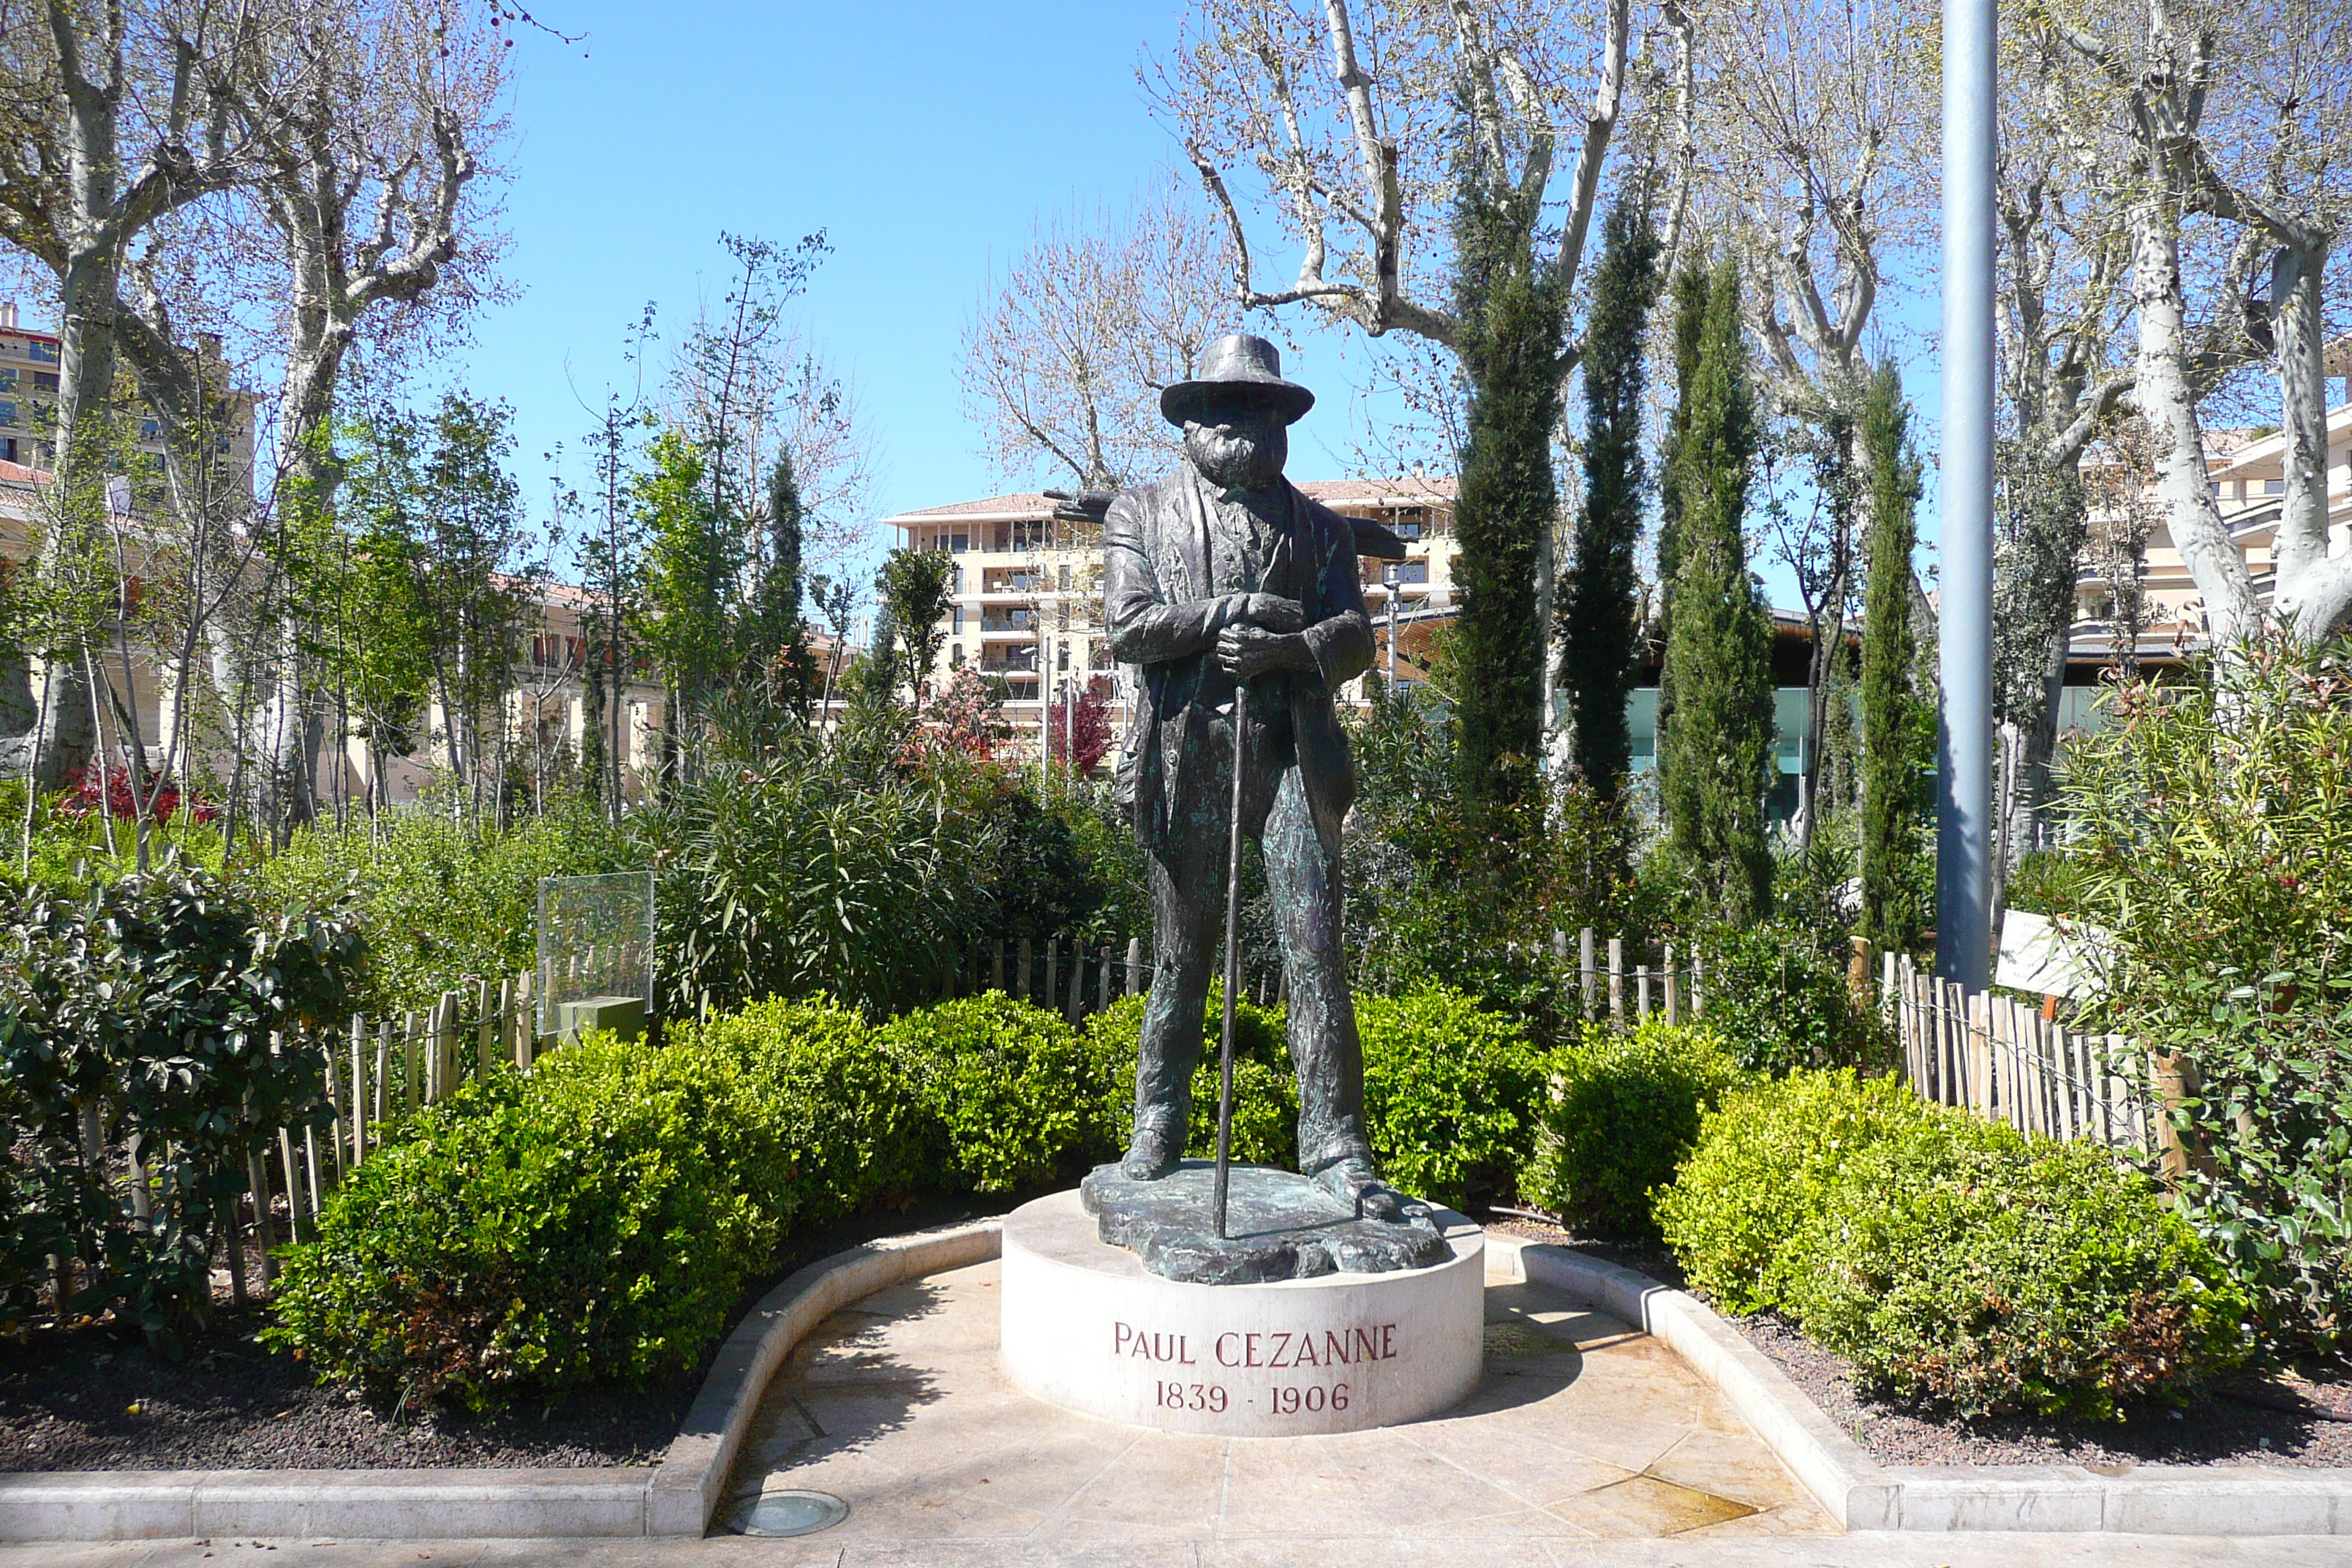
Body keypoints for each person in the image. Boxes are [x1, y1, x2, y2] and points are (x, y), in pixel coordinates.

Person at [1101, 333, 1410, 1221]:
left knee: (1316, 949)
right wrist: (1227, 615)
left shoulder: (1319, 528)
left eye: (1268, 418)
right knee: (1183, 952)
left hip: (1291, 758)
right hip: (1190, 755)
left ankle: (1339, 1146)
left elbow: (1353, 631)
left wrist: (1290, 649)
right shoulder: (1142, 512)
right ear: (1192, 423)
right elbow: (1129, 625)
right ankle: (1158, 1125)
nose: (1251, 433)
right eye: (1231, 415)